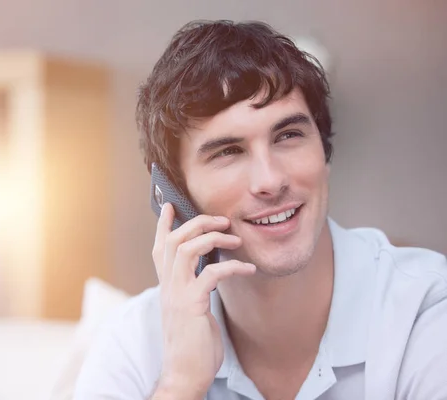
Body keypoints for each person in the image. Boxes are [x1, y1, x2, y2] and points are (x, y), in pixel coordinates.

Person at [74, 20, 447, 400]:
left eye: (288, 135)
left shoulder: (426, 313)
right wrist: (181, 384)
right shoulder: (133, 344)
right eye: (228, 152)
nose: (270, 180)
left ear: (324, 152)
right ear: (174, 195)